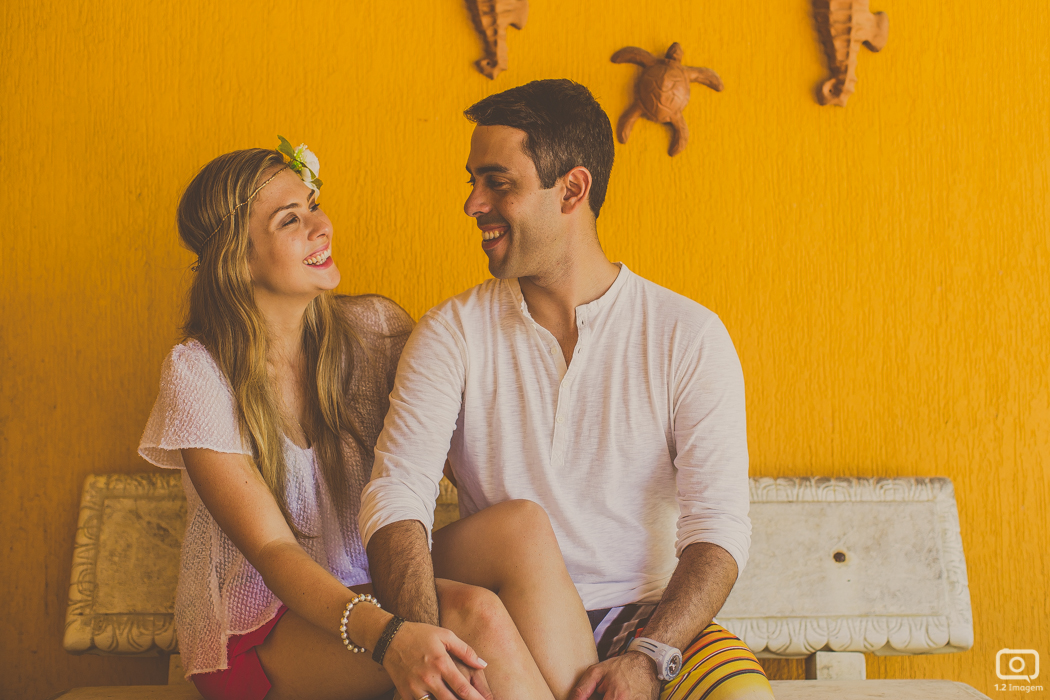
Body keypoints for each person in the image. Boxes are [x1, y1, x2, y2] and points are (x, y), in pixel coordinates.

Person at [359, 80, 777, 700]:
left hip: (652, 623)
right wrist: (430, 638)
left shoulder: (687, 334)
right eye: (472, 180)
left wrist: (649, 656)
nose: (472, 203)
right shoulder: (452, 332)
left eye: (498, 182)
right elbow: (398, 493)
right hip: (505, 620)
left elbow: (717, 528)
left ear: (572, 190)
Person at [138, 143, 597, 700]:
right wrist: (393, 638)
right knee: (470, 616)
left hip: (368, 572)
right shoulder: (198, 373)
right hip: (258, 628)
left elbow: (463, 455)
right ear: (239, 258)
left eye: (313, 205)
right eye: (291, 220)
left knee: (521, 527)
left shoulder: (374, 330)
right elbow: (273, 553)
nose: (320, 226)